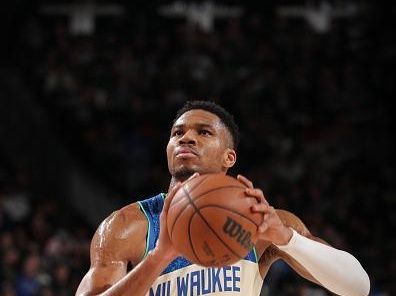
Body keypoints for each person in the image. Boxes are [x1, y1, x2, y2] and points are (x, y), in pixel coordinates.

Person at [76, 100, 370, 296]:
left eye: (203, 132)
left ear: (229, 157)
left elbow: (357, 286)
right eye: (177, 133)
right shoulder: (129, 224)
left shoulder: (262, 222)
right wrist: (159, 257)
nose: (186, 138)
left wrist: (285, 237)